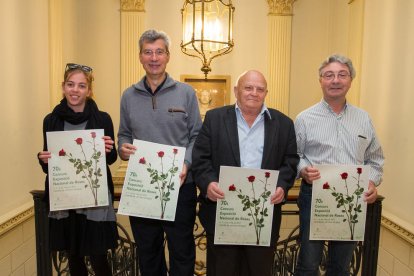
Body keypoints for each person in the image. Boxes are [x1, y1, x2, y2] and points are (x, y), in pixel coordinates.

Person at [192, 70, 299, 276]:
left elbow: (290, 161)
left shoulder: (284, 124)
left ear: (266, 93)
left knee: (258, 270)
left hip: (263, 216)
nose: (254, 93)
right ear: (236, 91)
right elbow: (201, 159)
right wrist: (208, 184)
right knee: (222, 270)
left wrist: (282, 186)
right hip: (223, 213)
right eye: (248, 88)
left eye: (260, 89)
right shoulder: (214, 119)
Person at [117, 29, 202, 276]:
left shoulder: (186, 93)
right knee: (148, 252)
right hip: (142, 187)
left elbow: (197, 136)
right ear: (140, 57)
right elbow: (124, 134)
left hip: (180, 185)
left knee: (182, 252)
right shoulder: (128, 96)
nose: (154, 57)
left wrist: (186, 164)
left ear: (168, 56)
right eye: (148, 52)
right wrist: (123, 148)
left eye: (159, 52)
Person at [294, 54, 385, 276]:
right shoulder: (304, 118)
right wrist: (303, 169)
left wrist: (372, 181)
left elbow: (375, 159)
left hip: (352, 200)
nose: (335, 80)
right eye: (329, 75)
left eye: (342, 75)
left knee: (341, 267)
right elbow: (294, 155)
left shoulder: (364, 119)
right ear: (321, 81)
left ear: (350, 80)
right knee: (308, 265)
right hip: (314, 196)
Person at [37, 63, 119, 276]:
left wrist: (109, 150)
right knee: (73, 257)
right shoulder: (51, 120)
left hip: (94, 199)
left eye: (81, 86)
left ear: (89, 90)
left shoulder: (102, 119)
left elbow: (110, 159)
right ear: (63, 87)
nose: (75, 90)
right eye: (71, 84)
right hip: (66, 198)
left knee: (99, 257)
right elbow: (50, 164)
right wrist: (42, 159)